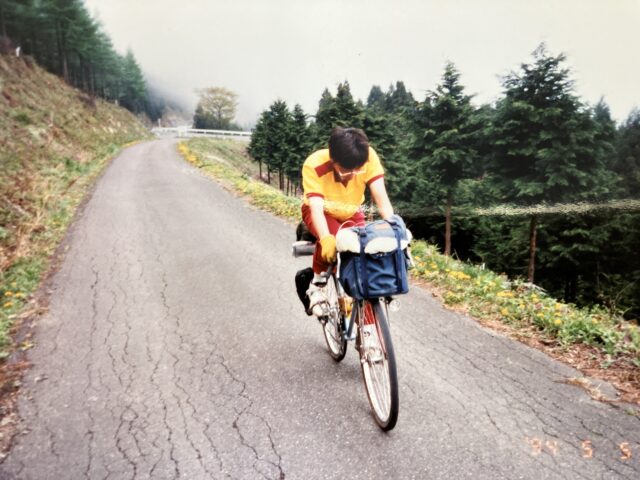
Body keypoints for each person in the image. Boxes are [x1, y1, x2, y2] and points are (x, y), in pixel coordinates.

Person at [301, 127, 395, 316]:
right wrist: (326, 237)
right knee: (338, 241)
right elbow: (316, 208)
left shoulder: (367, 157)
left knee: (364, 256)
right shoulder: (314, 164)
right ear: (333, 160)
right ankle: (317, 284)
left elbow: (382, 199)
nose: (353, 174)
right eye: (346, 170)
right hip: (321, 211)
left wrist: (394, 227)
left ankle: (369, 331)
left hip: (351, 211)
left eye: (358, 170)